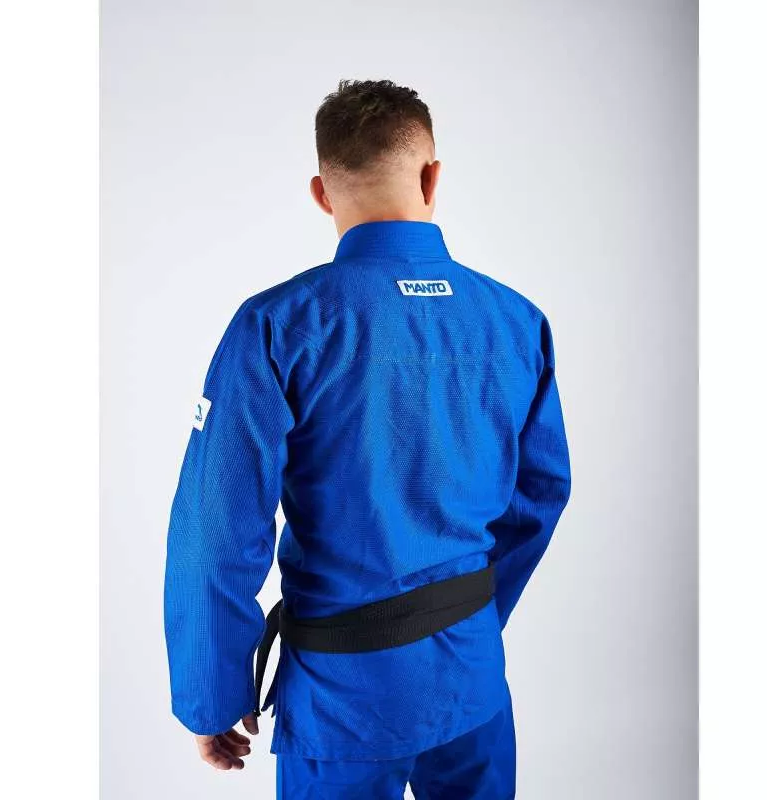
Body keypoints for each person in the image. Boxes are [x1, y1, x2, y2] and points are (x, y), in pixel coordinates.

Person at [164, 79, 571, 799]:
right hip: (471, 678)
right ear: (432, 178)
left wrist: (212, 695)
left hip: (344, 698)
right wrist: (469, 622)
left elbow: (217, 530)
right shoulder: (516, 320)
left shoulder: (280, 325)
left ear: (322, 193)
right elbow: (539, 496)